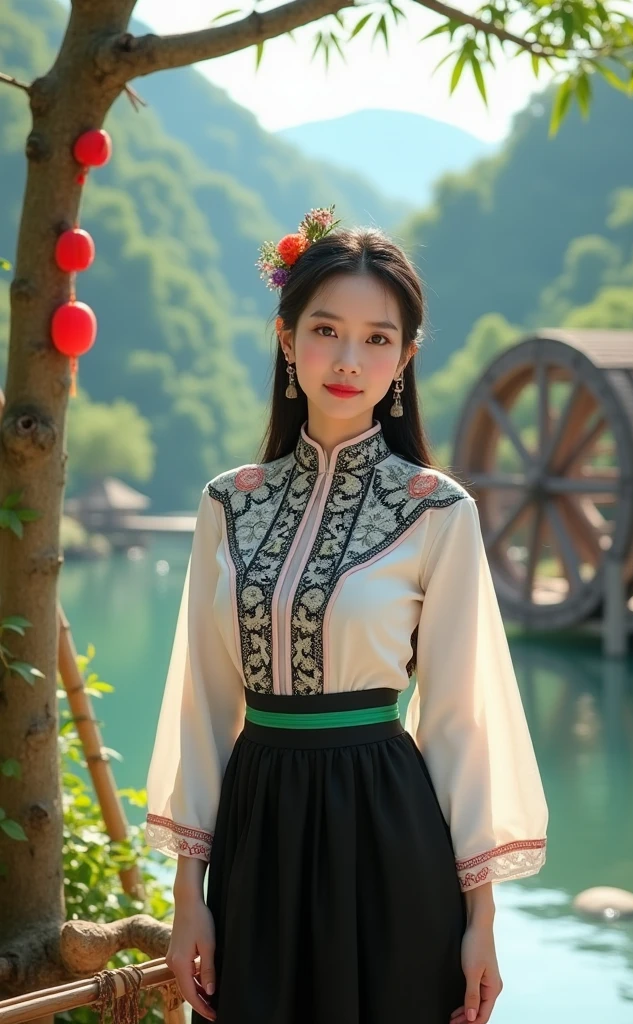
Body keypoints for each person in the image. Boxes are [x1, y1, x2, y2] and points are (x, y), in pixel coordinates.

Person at [145, 206, 549, 1024]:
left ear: (402, 359)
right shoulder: (229, 503)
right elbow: (203, 708)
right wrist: (189, 895)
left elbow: (463, 720)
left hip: (390, 831)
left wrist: (482, 922)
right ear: (287, 340)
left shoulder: (438, 511)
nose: (348, 358)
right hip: (256, 836)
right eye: (326, 329)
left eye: (377, 338)